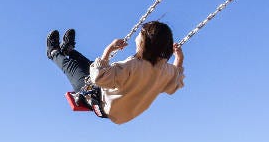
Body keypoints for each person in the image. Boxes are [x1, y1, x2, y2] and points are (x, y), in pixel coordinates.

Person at [46, 21, 184, 124]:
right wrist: (179, 58)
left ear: (144, 42)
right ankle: (69, 50)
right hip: (120, 109)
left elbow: (98, 78)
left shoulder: (133, 66)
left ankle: (53, 52)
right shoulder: (165, 70)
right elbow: (175, 81)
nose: (136, 37)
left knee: (73, 67)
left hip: (98, 101)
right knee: (90, 64)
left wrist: (109, 49)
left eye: (139, 35)